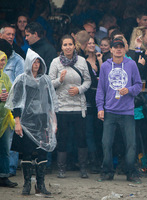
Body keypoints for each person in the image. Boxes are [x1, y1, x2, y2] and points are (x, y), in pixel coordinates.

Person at [5, 49, 58, 196]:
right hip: (26, 121)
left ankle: (40, 184)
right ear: (29, 63)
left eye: (38, 62)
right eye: (34, 62)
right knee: (27, 153)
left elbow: (50, 102)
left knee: (42, 152)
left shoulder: (45, 80)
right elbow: (16, 102)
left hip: (42, 121)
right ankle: (27, 184)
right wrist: (17, 122)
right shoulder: (21, 80)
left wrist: (53, 120)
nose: (36, 64)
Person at [96, 38, 142, 184]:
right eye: (115, 47)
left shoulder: (131, 64)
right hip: (109, 111)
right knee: (105, 143)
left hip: (127, 111)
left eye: (121, 47)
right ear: (111, 49)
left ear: (125, 49)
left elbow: (139, 85)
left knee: (131, 144)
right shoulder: (105, 66)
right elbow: (100, 89)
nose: (118, 49)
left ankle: (131, 172)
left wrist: (129, 90)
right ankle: (107, 172)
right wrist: (100, 108)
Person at [49, 35, 91, 179]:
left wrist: (79, 90)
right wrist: (59, 80)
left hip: (79, 106)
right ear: (61, 47)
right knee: (63, 138)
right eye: (65, 44)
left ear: (75, 46)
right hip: (62, 106)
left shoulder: (82, 61)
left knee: (81, 137)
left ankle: (83, 168)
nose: (68, 47)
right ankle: (61, 169)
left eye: (70, 44)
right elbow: (49, 83)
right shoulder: (55, 62)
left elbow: (88, 81)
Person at [0, 51, 18, 188]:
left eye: (3, 60)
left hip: (5, 118)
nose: (1, 63)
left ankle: (4, 176)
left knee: (5, 148)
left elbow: (12, 93)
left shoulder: (5, 77)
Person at [85, 36, 102, 173]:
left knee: (100, 132)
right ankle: (93, 161)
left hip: (101, 101)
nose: (91, 45)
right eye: (88, 43)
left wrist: (101, 60)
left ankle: (101, 160)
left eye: (93, 43)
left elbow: (105, 76)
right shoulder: (82, 61)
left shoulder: (99, 59)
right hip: (89, 101)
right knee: (89, 132)